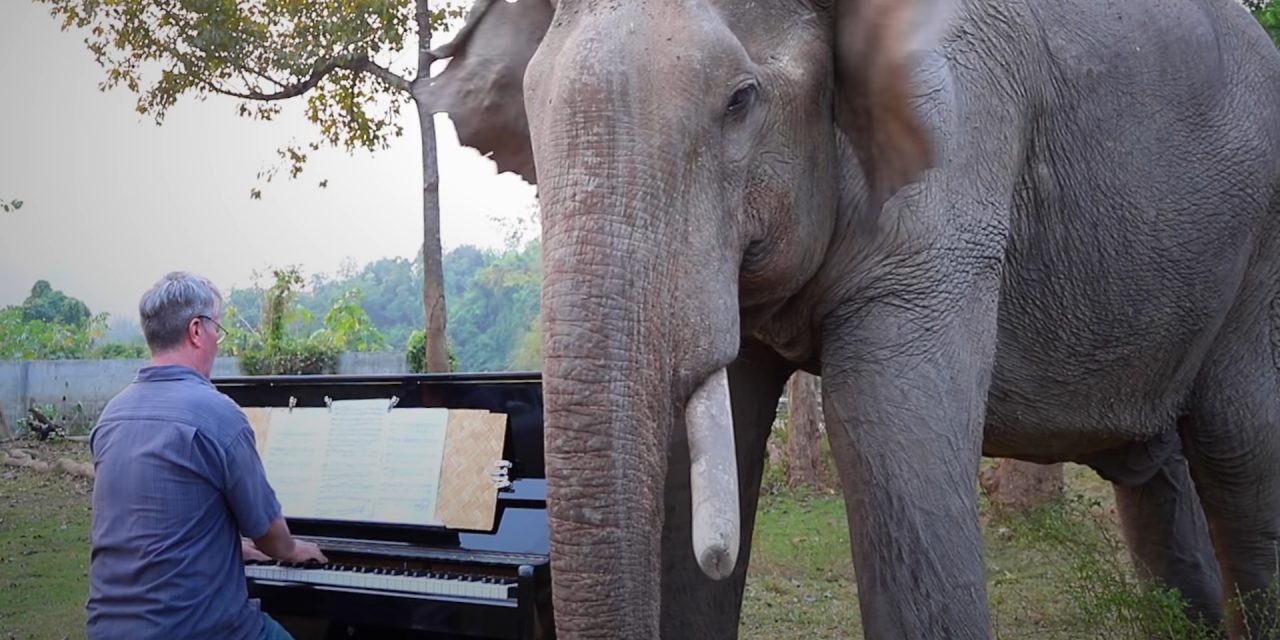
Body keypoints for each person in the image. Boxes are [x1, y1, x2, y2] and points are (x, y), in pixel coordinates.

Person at [86, 271, 327, 640]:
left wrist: (227, 549)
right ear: (197, 331)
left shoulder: (112, 415)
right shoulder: (218, 413)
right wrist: (293, 548)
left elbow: (152, 525)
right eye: (218, 328)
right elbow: (270, 536)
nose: (219, 341)